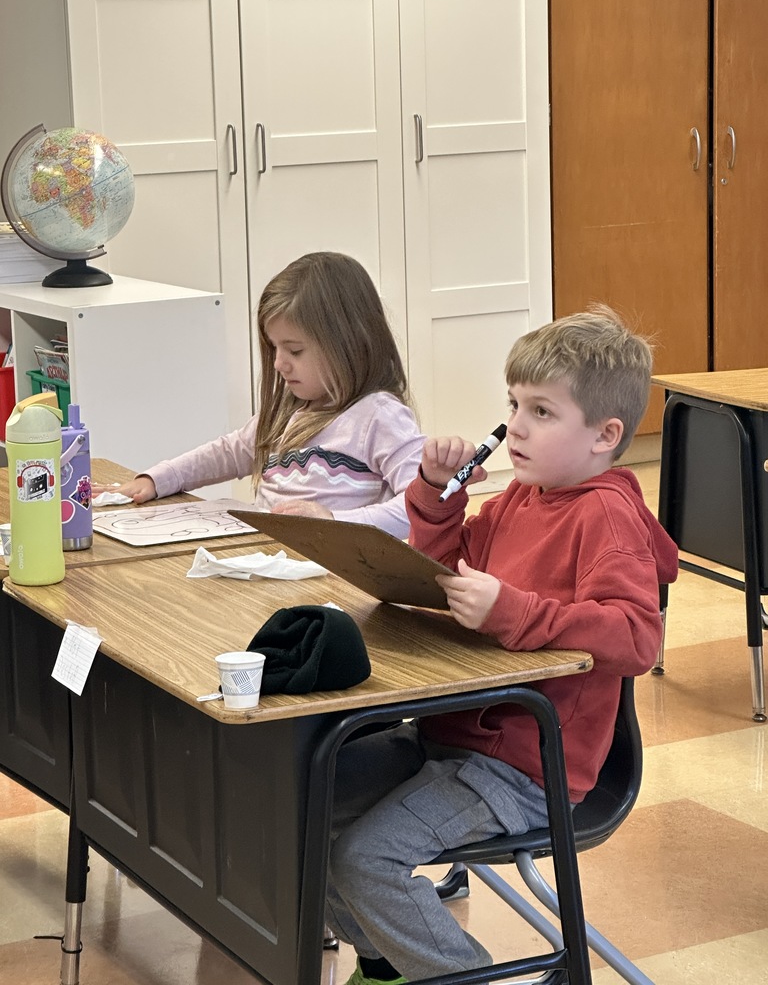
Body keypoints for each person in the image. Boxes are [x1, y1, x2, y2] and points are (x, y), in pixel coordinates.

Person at [324, 306, 679, 985]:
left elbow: (637, 637)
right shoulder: (522, 497)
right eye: (513, 404)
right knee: (305, 795)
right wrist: (433, 494)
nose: (514, 426)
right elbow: (446, 573)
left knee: (365, 857)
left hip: (524, 767)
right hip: (454, 734)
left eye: (541, 411)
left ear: (606, 436)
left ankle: (463, 977)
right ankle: (389, 966)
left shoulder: (606, 516)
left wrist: (514, 611)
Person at [97, 252, 424, 540]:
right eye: (274, 348)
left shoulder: (379, 416)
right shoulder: (289, 410)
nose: (279, 363)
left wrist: (333, 522)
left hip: (333, 584)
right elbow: (227, 452)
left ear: (349, 343)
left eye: (294, 350)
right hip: (272, 561)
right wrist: (158, 479)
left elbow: (418, 508)